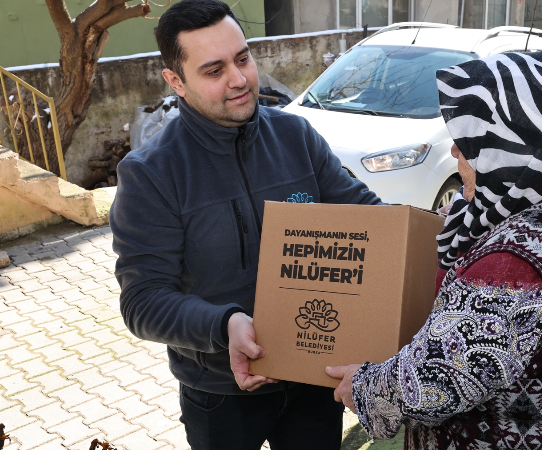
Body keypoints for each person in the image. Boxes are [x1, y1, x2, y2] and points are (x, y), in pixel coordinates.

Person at [327, 51, 542, 449]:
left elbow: (436, 380)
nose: (456, 153)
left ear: (507, 143)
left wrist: (366, 386)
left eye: (466, 142)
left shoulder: (511, 266)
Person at [109, 1, 381, 449]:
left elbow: (369, 218)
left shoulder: (297, 137)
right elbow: (143, 302)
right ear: (175, 81)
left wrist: (439, 229)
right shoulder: (151, 173)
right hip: (220, 391)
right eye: (214, 70)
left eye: (242, 58)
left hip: (317, 374)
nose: (239, 80)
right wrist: (226, 324)